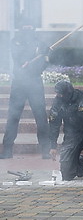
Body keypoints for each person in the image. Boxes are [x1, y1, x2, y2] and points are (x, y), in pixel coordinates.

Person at [0, 16, 51, 159]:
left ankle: (45, 150)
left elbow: (44, 64)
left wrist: (44, 54)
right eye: (25, 27)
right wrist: (36, 54)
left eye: (30, 27)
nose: (27, 30)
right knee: (13, 116)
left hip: (35, 82)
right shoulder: (15, 42)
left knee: (41, 116)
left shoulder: (40, 44)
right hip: (19, 83)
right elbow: (18, 57)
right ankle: (7, 150)